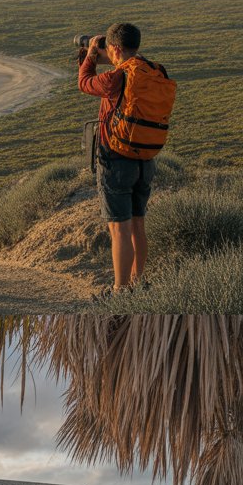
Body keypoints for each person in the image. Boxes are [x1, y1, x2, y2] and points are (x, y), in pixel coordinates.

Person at [78, 22, 154, 297]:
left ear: (116, 49)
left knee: (118, 228)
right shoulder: (150, 71)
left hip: (117, 160)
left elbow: (84, 82)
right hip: (145, 158)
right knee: (137, 223)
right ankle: (137, 283)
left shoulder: (116, 78)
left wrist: (89, 56)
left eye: (108, 49)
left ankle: (121, 290)